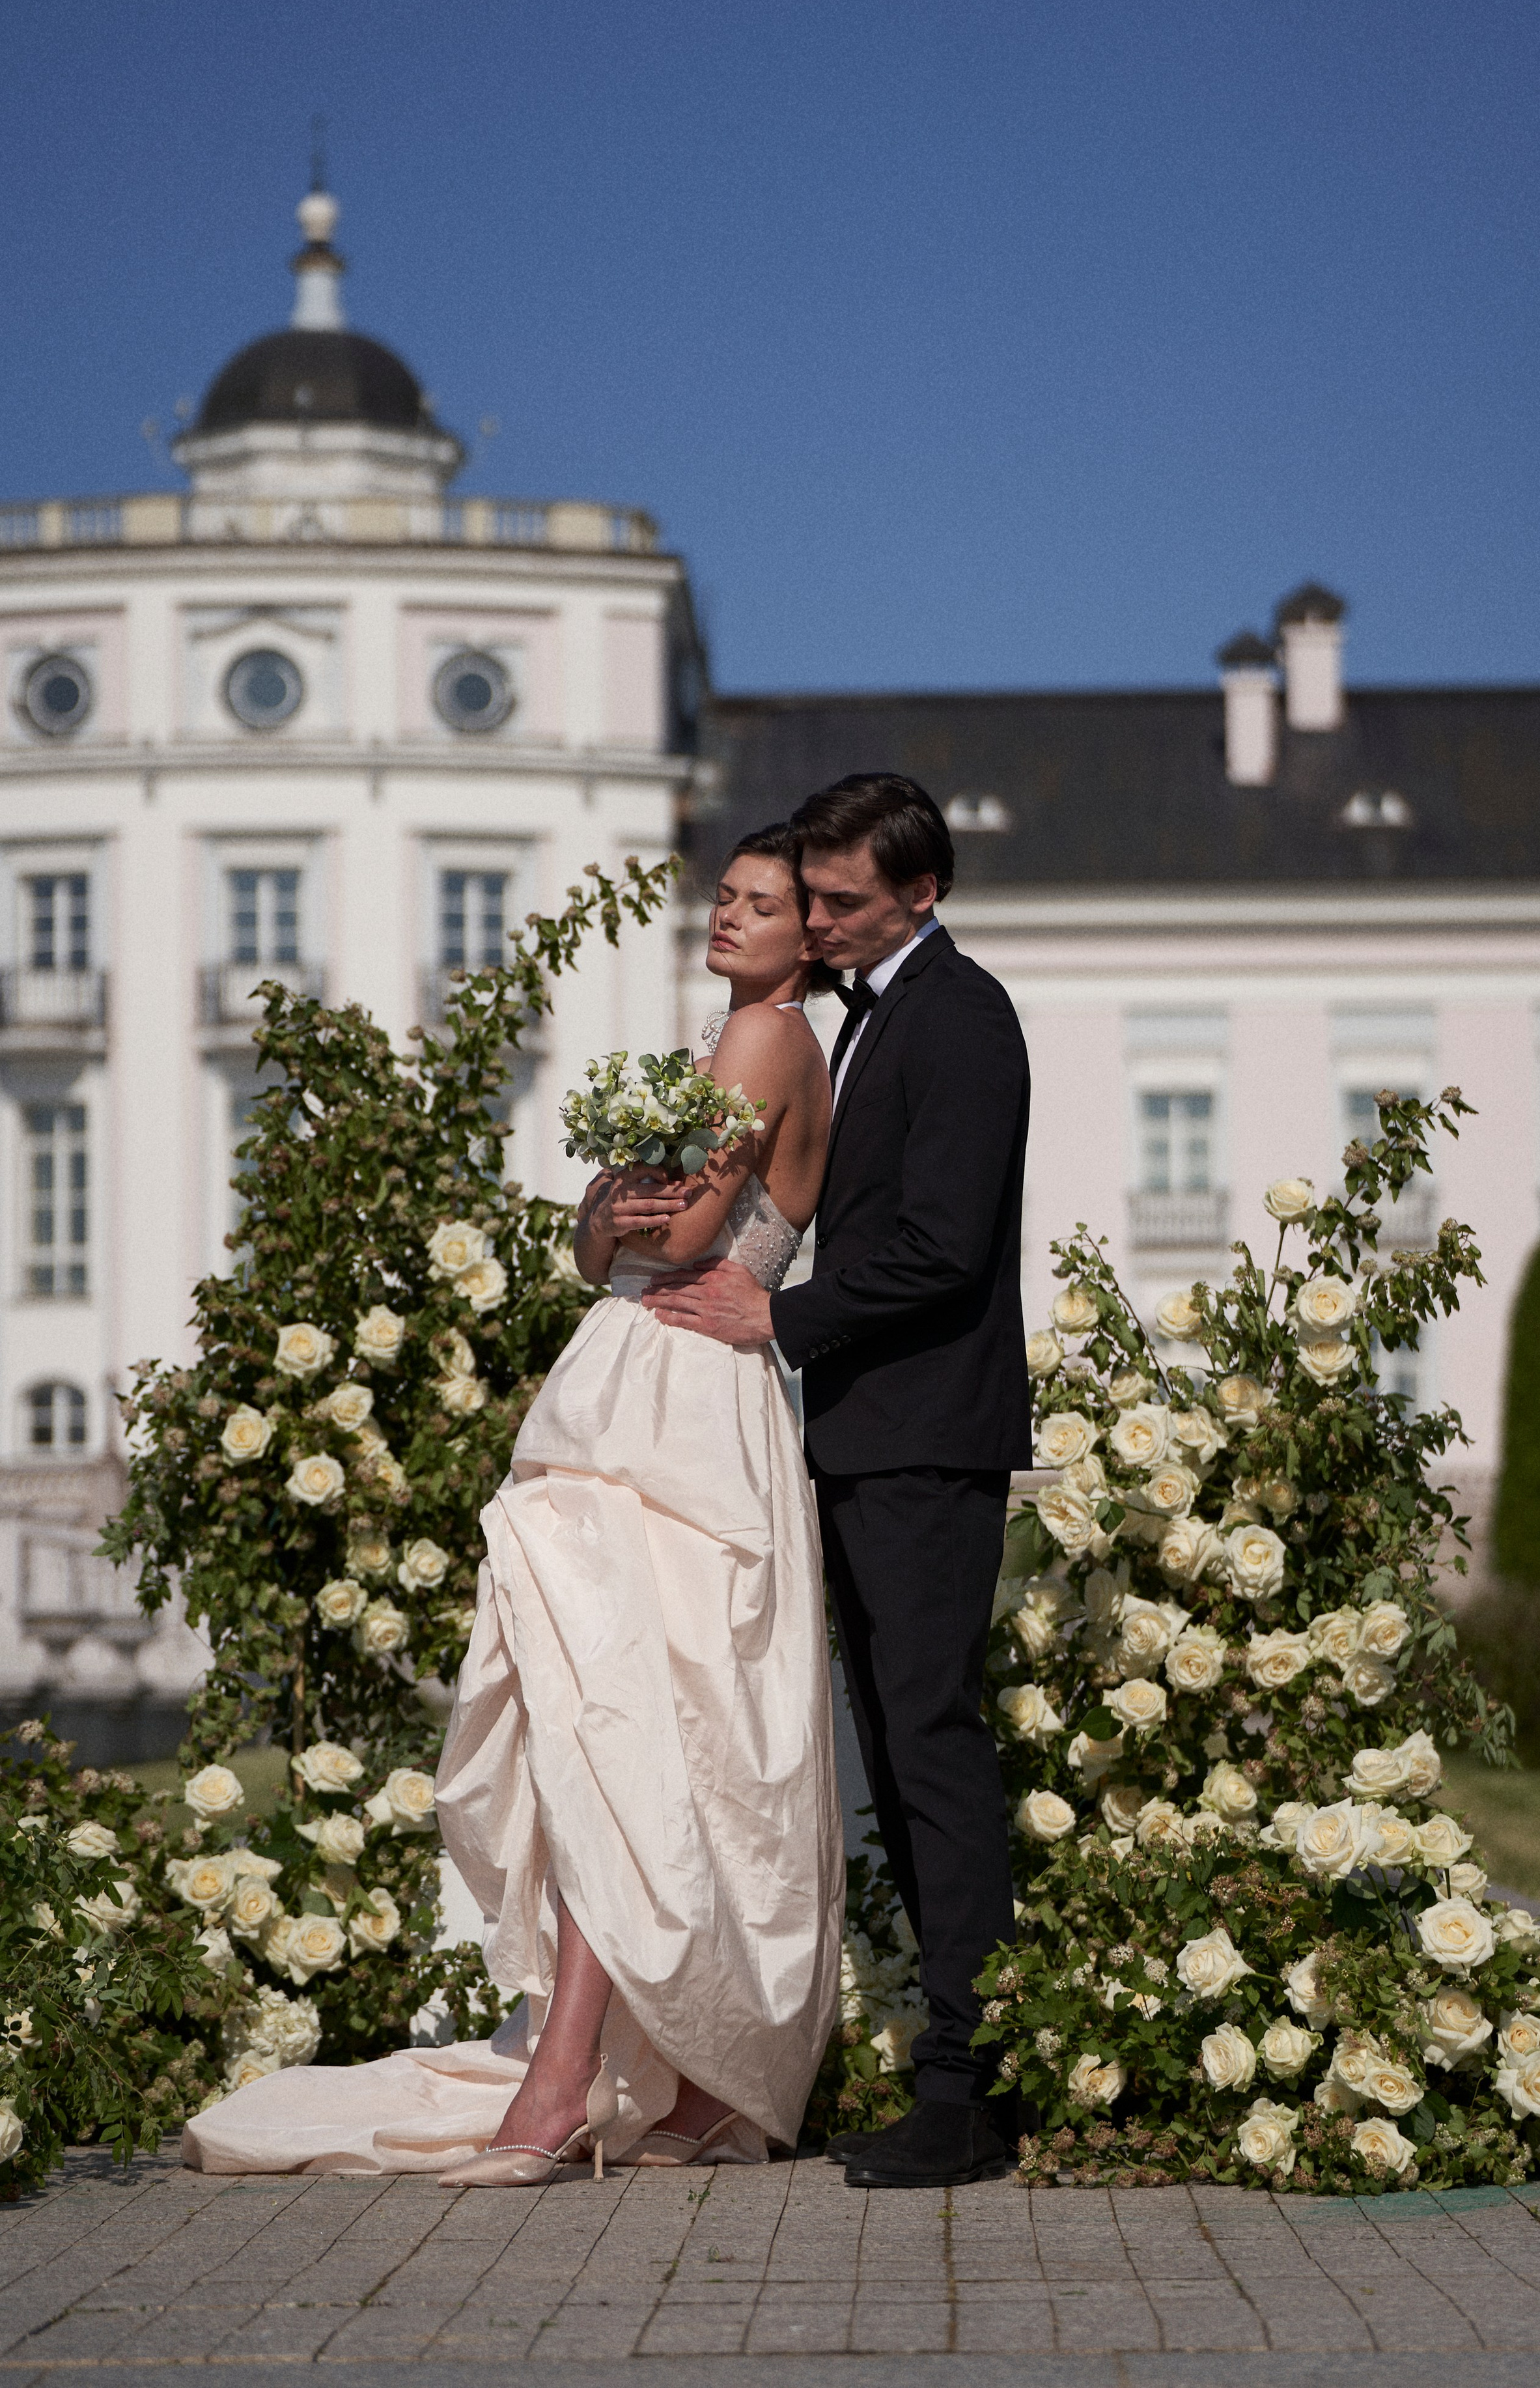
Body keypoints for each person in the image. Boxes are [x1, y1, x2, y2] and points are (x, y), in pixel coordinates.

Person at [182, 825, 844, 2184]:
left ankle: (570, 2081)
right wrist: (614, 1218)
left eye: (761, 904)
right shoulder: (715, 1042)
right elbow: (595, 1236)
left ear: (807, 937)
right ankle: (633, 2080)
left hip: (685, 1398)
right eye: (721, 895)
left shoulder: (771, 1042)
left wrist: (619, 1215)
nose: (726, 916)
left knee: (629, 1730)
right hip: (633, 1382)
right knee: (599, 1724)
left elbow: (665, 1234)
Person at [645, 773, 1031, 2190]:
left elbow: (942, 1244)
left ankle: (968, 2089)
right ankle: (950, 2069)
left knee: (931, 1746)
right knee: (900, 1742)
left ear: (921, 893)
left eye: (840, 902)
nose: (815, 922)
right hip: (863, 1434)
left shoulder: (964, 1017)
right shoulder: (858, 1020)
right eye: (805, 898)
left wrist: (779, 1320)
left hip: (930, 1439)